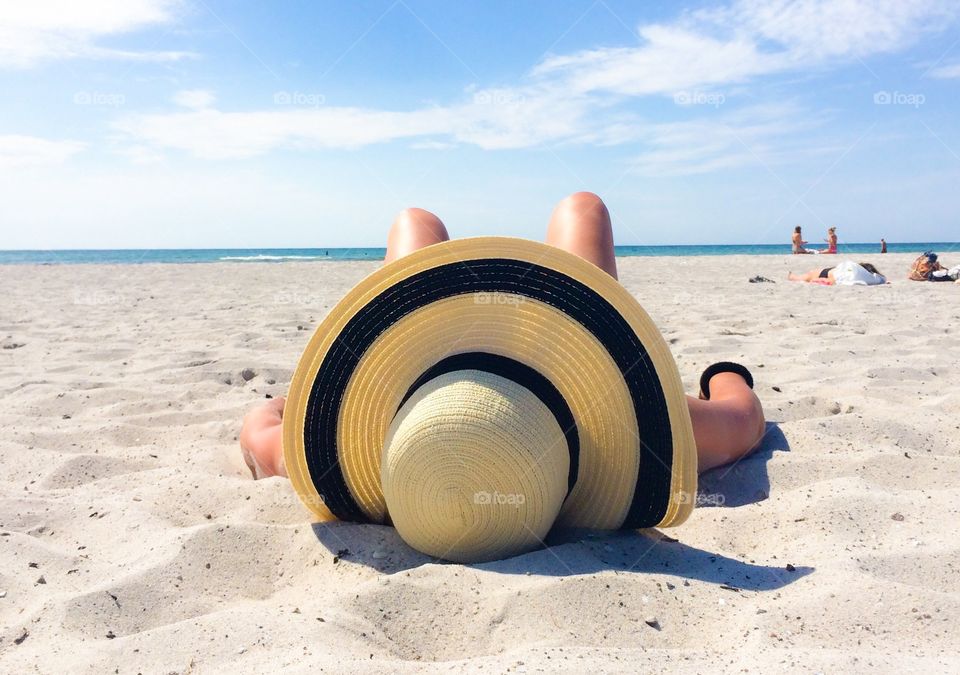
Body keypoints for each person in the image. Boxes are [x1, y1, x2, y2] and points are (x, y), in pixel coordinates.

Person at [240, 193, 767, 483]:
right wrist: (724, 373)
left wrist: (297, 405)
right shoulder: (644, 441)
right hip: (437, 389)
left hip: (425, 401)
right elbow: (744, 417)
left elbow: (258, 429)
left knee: (415, 220)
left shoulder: (348, 461)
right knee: (581, 210)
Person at [787, 260, 885, 285]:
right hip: (830, 272)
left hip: (827, 272)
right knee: (808, 276)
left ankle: (792, 276)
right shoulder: (871, 278)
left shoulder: (856, 271)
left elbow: (825, 281)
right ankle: (793, 276)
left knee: (803, 277)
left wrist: (814, 280)